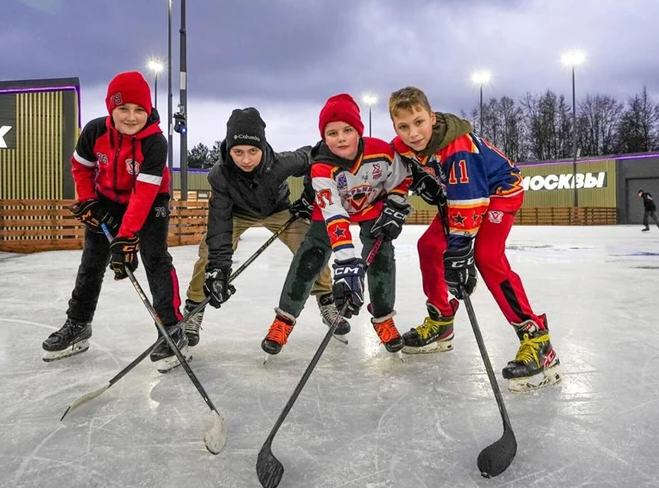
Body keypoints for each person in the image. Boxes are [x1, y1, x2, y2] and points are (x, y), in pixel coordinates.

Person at [389, 86, 560, 393]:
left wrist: (459, 250)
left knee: (486, 256)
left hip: (498, 194)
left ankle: (537, 338)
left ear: (432, 117)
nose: (413, 133)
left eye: (418, 122)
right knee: (428, 247)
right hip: (459, 197)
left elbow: (470, 200)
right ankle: (442, 322)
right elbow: (398, 174)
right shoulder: (402, 147)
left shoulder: (459, 146)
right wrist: (409, 189)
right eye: (403, 126)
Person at [42, 71, 186, 372]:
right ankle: (78, 324)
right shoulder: (95, 131)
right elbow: (80, 168)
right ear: (111, 109)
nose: (132, 117)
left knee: (155, 258)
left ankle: (172, 329)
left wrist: (127, 237)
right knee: (92, 261)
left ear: (148, 111)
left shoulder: (155, 143)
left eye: (139, 110)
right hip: (106, 198)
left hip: (150, 200)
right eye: (123, 109)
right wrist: (88, 200)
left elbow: (144, 193)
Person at [259, 93, 412, 356]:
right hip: (330, 211)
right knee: (310, 257)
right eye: (332, 133)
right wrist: (346, 265)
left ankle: (384, 318)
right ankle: (283, 320)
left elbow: (400, 180)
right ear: (324, 137)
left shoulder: (383, 152)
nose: (340, 138)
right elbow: (335, 215)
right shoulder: (321, 167)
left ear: (359, 131)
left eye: (347, 130)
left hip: (371, 207)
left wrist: (396, 205)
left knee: (382, 255)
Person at [183, 107, 348, 346]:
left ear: (263, 147)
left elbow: (314, 156)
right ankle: (194, 307)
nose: (246, 159)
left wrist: (308, 195)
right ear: (229, 149)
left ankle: (326, 299)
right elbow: (219, 224)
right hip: (237, 214)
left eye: (253, 151)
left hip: (277, 210)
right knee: (209, 252)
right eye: (238, 152)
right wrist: (218, 269)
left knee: (310, 244)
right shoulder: (220, 175)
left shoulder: (279, 163)